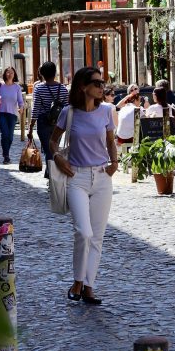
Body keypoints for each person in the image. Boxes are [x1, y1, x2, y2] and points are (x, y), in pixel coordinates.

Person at [49, 67, 118, 306]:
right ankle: (77, 280)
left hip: (101, 177)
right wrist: (58, 158)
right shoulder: (69, 113)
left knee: (97, 237)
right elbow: (53, 141)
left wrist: (115, 163)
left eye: (102, 83)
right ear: (83, 87)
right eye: (97, 83)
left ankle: (89, 286)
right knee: (83, 232)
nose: (102, 87)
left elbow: (110, 141)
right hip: (76, 178)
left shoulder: (107, 112)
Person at [27, 61, 68, 177]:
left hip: (43, 122)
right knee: (53, 147)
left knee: (48, 148)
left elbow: (35, 109)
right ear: (55, 73)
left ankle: (51, 173)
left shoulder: (39, 88)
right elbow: (66, 108)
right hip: (59, 123)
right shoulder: (63, 88)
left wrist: (30, 127)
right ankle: (50, 171)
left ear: (42, 74)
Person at [0, 66, 24, 164]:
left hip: (12, 114)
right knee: (5, 134)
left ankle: (6, 152)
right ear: (4, 74)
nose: (9, 74)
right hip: (1, 113)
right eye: (7, 72)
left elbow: (20, 101)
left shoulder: (17, 87)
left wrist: (21, 108)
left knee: (10, 137)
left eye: (11, 73)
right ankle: (6, 155)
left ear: (14, 75)